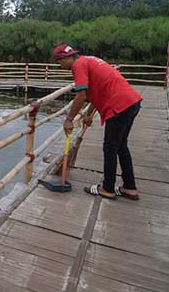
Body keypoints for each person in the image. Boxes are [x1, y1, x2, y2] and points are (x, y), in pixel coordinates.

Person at [53, 44, 143, 200]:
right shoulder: (89, 60)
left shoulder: (77, 65)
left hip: (119, 105)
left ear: (65, 58)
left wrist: (69, 119)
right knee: (121, 146)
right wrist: (88, 114)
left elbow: (81, 95)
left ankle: (107, 188)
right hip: (131, 102)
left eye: (60, 63)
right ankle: (129, 187)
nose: (61, 66)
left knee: (110, 148)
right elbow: (97, 90)